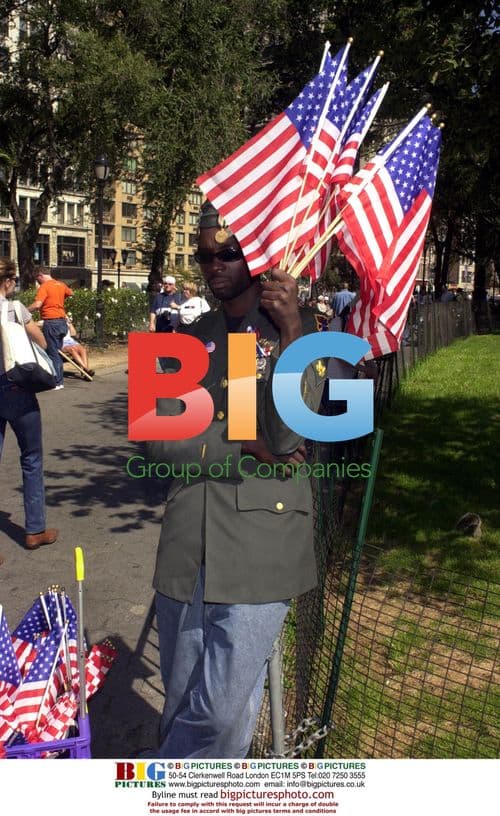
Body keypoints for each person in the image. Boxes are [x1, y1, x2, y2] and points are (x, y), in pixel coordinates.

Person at [145, 201, 326, 758]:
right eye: (204, 256)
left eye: (227, 252)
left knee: (221, 713)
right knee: (181, 701)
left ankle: (162, 783)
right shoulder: (182, 337)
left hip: (261, 545)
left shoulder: (307, 333)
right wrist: (244, 444)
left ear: (256, 252)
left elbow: (292, 436)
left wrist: (293, 327)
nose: (214, 264)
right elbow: (159, 444)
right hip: (189, 544)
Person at [0, 259, 58, 550]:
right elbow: (43, 343)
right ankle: (35, 530)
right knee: (31, 459)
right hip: (16, 389)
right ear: (8, 282)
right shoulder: (15, 309)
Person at [28, 268, 73, 390]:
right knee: (57, 352)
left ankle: (56, 382)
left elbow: (37, 304)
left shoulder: (44, 286)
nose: (37, 282)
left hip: (51, 322)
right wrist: (58, 301)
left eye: (37, 279)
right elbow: (70, 293)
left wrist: (24, 311)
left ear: (41, 275)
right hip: (62, 322)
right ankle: (60, 380)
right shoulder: (61, 284)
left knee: (52, 353)